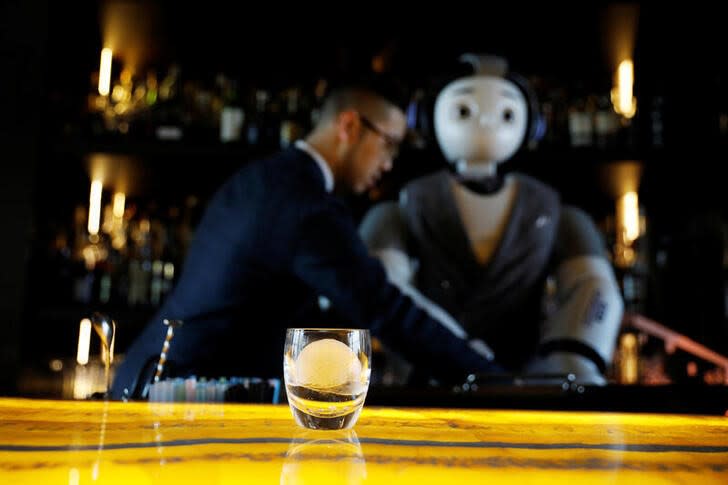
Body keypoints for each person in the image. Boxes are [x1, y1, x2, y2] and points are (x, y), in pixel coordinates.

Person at [110, 79, 498, 400]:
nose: (388, 163)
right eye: (389, 144)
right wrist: (491, 381)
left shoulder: (266, 178)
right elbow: (382, 308)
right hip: (182, 398)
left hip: (155, 379)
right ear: (349, 126)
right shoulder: (305, 204)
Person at [360, 55, 624, 386]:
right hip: (430, 377)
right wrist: (450, 352)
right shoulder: (406, 206)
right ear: (429, 120)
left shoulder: (551, 210)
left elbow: (595, 289)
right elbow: (386, 290)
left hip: (529, 376)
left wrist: (572, 358)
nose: (486, 122)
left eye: (507, 113)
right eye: (464, 111)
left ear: (531, 124)